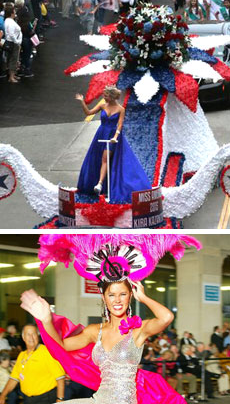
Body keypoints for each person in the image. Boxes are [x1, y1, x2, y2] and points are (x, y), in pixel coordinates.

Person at [19, 235, 201, 404]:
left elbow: (167, 317)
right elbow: (62, 346)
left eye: (123, 294)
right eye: (112, 295)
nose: (117, 300)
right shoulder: (93, 331)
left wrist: (144, 298)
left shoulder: (137, 330)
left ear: (130, 296)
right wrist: (46, 320)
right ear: (104, 297)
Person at [75, 85, 151, 201]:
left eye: (105, 96)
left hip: (112, 136)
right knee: (96, 158)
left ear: (111, 97)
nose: (104, 97)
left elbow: (120, 125)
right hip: (100, 134)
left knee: (105, 159)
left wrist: (115, 136)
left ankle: (99, 184)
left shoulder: (121, 109)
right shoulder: (102, 105)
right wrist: (82, 102)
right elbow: (88, 113)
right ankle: (100, 185)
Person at [0, 324, 65, 404]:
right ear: (23, 337)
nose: (31, 337)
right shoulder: (22, 355)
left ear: (38, 336)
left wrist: (60, 399)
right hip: (27, 399)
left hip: (45, 399)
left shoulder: (47, 352)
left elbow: (60, 377)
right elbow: (14, 378)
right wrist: (3, 395)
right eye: (28, 334)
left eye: (34, 334)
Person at [4, 3, 22, 83]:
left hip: (11, 42)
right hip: (13, 43)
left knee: (12, 59)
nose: (15, 13)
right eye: (14, 11)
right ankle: (11, 77)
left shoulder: (8, 20)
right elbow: (11, 34)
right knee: (13, 60)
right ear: (11, 13)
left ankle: (13, 74)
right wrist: (17, 41)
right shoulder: (10, 22)